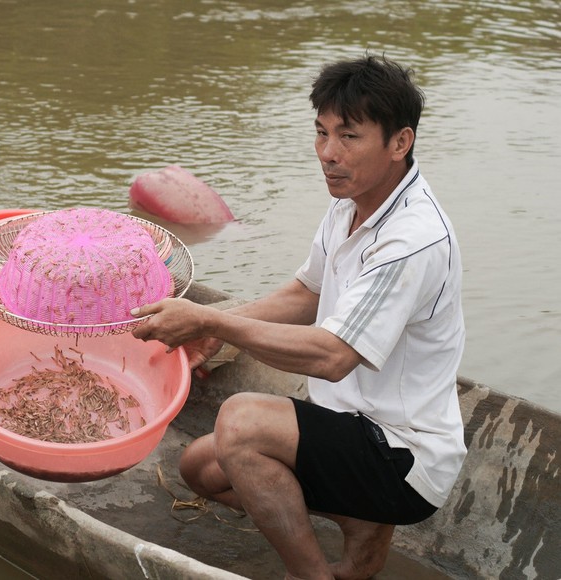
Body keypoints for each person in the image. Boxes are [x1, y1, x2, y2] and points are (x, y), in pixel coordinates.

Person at [131, 55, 467, 580]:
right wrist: (207, 325)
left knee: (240, 421)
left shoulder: (413, 239)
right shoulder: (352, 198)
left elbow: (333, 357)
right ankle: (363, 521)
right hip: (347, 425)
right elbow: (308, 291)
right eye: (321, 133)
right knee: (201, 466)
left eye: (349, 137)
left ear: (400, 143)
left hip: (401, 452)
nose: (328, 155)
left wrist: (212, 322)